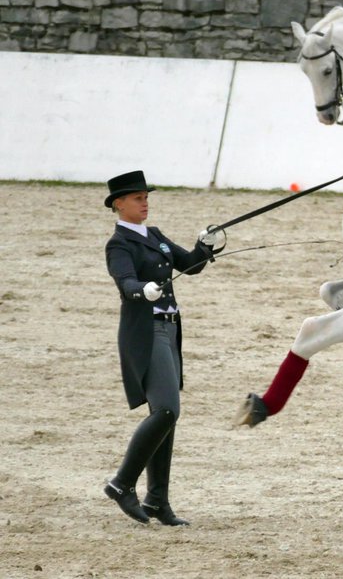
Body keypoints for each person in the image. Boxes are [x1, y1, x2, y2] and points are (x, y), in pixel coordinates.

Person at [103, 170, 217, 525]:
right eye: (137, 198)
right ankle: (122, 483)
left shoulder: (154, 235)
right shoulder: (118, 243)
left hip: (170, 331)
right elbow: (125, 282)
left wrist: (206, 245)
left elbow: (191, 265)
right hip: (145, 333)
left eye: (146, 197)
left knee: (166, 417)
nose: (145, 203)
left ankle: (156, 501)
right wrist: (143, 290)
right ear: (119, 204)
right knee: (166, 411)